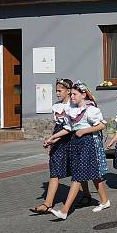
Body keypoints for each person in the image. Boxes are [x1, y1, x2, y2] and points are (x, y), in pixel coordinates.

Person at [45, 81, 110, 220]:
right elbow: (67, 128)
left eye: (75, 94)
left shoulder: (91, 109)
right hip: (76, 143)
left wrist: (84, 131)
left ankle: (64, 210)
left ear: (83, 94)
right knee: (93, 174)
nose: (72, 96)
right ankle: (105, 201)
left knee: (77, 176)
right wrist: (53, 138)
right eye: (72, 93)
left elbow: (101, 126)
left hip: (88, 143)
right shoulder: (71, 110)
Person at [29, 78, 92, 214]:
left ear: (68, 91)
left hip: (72, 138)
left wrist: (53, 139)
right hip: (59, 136)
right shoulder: (56, 106)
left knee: (77, 169)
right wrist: (52, 138)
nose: (57, 93)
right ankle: (47, 204)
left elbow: (71, 127)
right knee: (55, 166)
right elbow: (58, 125)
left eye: (60, 90)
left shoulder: (74, 105)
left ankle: (86, 195)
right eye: (56, 90)